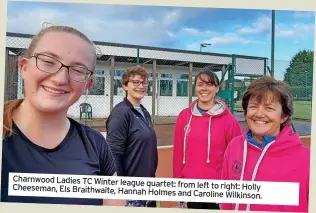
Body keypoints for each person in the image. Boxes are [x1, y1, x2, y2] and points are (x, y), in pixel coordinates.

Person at [1, 25, 124, 206]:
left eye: (78, 70)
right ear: (24, 67)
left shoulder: (96, 145)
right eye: (48, 61)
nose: (60, 79)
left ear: (87, 84)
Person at [220, 76, 310, 212]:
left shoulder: (307, 160)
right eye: (253, 106)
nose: (259, 114)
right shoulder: (235, 146)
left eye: (269, 108)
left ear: (284, 116)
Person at [173, 68, 242, 210]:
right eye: (200, 84)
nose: (204, 88)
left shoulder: (230, 121)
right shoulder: (184, 117)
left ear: (217, 88)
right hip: (190, 188)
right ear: (195, 88)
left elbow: (236, 159)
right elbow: (178, 154)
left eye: (209, 84)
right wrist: (178, 188)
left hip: (217, 189)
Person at [105, 65, 158, 207]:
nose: (141, 86)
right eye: (135, 82)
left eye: (144, 82)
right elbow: (113, 154)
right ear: (124, 86)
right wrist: (121, 191)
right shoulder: (121, 113)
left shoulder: (144, 112)